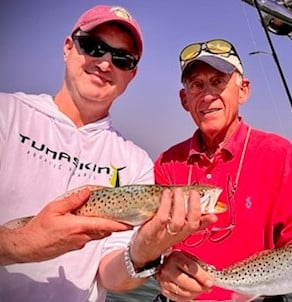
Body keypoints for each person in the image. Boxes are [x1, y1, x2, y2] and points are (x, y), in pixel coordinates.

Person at [0, 6, 216, 302]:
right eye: (94, 47)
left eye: (121, 59)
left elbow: (109, 275)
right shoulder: (6, 114)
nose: (104, 63)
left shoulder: (135, 162)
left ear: (132, 74)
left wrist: (147, 247)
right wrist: (20, 244)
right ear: (68, 47)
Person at [153, 39, 292, 301]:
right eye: (197, 85)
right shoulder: (166, 162)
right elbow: (151, 243)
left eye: (219, 81)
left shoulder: (279, 153)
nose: (207, 95)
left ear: (243, 90)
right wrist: (159, 268)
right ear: (184, 100)